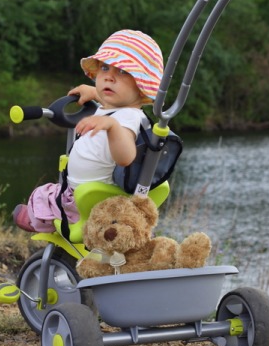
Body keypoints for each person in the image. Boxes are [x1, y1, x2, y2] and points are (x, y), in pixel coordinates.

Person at [13, 29, 163, 233]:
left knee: (44, 194)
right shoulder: (122, 107)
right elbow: (112, 102)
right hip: (85, 195)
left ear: (141, 85)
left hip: (86, 202)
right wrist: (93, 92)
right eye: (105, 68)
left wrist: (112, 127)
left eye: (121, 72)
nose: (109, 78)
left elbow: (126, 156)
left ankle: (38, 219)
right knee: (55, 190)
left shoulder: (128, 118)